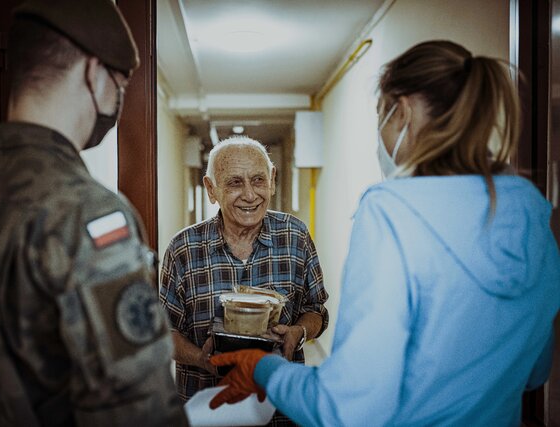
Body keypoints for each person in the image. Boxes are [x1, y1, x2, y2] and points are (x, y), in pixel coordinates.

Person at [207, 40, 560, 426]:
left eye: (382, 117)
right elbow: (536, 372)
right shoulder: (530, 211)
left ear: (403, 111)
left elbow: (348, 410)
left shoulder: (393, 211)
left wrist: (261, 367)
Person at [0, 0, 187, 425]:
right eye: (120, 83)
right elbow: (140, 407)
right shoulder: (90, 212)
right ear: (93, 72)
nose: (119, 99)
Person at [159, 136, 329, 425]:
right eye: (235, 183)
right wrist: (202, 358)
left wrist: (298, 333)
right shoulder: (183, 249)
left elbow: (317, 311)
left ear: (272, 179)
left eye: (258, 180)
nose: (250, 195)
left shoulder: (296, 237)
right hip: (209, 410)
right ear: (211, 189)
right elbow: (163, 333)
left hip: (281, 411)